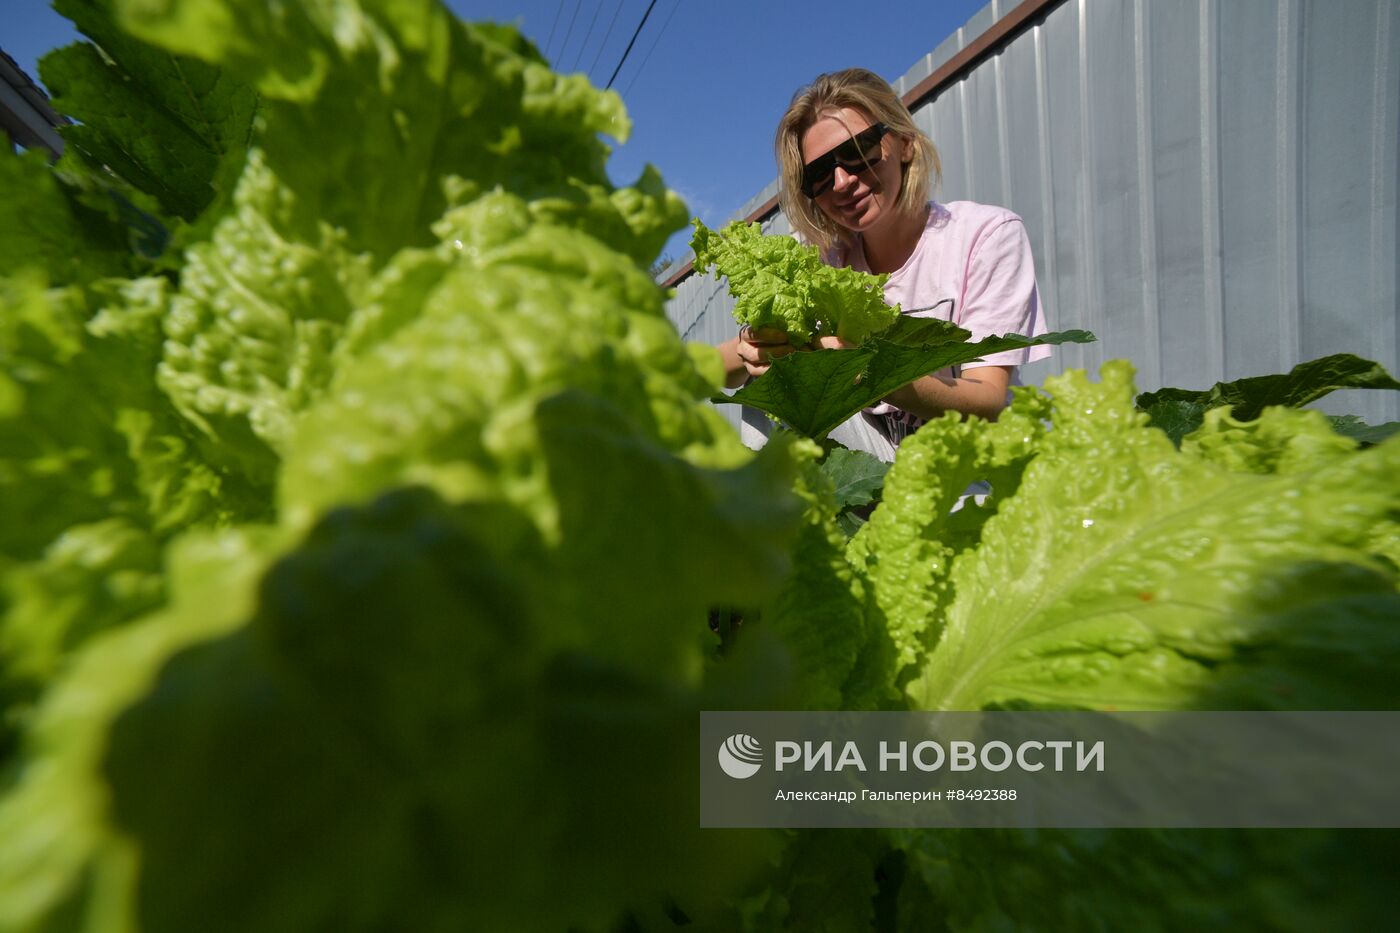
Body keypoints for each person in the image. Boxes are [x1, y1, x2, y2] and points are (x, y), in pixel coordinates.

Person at [718, 68, 1050, 459]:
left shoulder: (985, 235)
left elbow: (989, 400)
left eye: (858, 152)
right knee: (772, 385)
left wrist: (863, 370)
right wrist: (754, 347)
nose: (841, 182)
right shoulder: (826, 261)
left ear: (905, 143)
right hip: (877, 462)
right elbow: (722, 362)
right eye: (820, 174)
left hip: (968, 463)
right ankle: (771, 515)